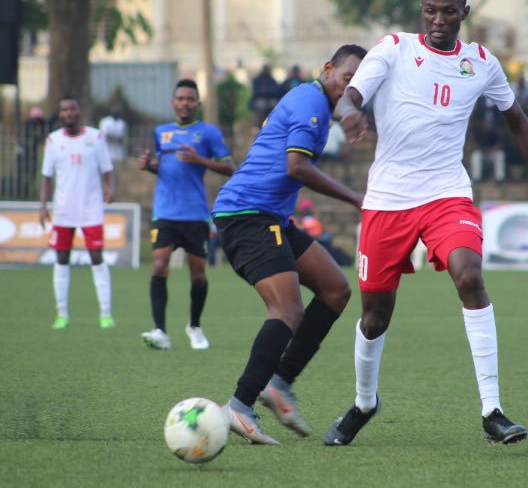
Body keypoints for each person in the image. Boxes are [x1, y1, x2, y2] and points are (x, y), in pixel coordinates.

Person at [323, 0, 528, 447]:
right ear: (422, 12)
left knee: (469, 276)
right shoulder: (394, 48)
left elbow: (518, 121)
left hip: (446, 194)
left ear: (464, 14)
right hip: (388, 200)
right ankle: (364, 403)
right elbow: (351, 94)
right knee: (374, 316)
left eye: (448, 11)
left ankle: (492, 410)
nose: (439, 20)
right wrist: (350, 112)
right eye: (431, 11)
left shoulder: (480, 63)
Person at [212, 44, 367, 444]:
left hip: (270, 216)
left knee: (335, 289)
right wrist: (354, 198)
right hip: (247, 214)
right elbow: (295, 167)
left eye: (359, 84)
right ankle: (240, 406)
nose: (351, 87)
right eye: (348, 77)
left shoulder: (313, 101)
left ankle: (279, 383)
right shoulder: (311, 102)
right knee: (286, 308)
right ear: (328, 69)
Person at [137, 79, 235, 350]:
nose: (185, 103)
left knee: (198, 275)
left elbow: (231, 168)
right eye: (180, 99)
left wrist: (201, 160)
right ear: (173, 102)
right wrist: (149, 167)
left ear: (198, 104)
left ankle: (194, 326)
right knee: (159, 265)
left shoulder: (208, 133)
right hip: (165, 212)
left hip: (195, 214)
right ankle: (160, 331)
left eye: (190, 99)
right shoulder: (161, 132)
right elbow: (166, 167)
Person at [38, 96, 115, 330]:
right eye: (64, 109)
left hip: (91, 210)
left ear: (79, 112)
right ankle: (62, 314)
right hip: (63, 212)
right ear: (60, 114)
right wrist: (43, 205)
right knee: (61, 260)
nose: (69, 113)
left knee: (96, 258)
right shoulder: (53, 141)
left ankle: (105, 314)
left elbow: (108, 170)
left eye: (73, 108)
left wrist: (110, 188)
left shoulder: (96, 137)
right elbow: (47, 177)